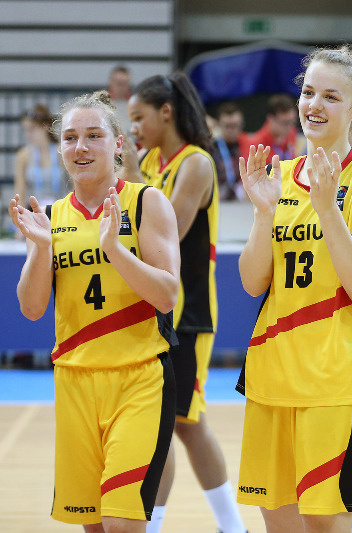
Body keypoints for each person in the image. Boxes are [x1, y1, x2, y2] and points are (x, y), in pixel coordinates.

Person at [235, 44, 352, 533]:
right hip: (273, 370)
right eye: (308, 93)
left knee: (324, 526)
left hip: (336, 378)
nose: (314, 106)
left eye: (331, 96)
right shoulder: (279, 177)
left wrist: (328, 209)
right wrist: (264, 213)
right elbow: (251, 281)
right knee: (279, 525)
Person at [10, 90, 180, 532]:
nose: (80, 147)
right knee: (95, 526)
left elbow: (166, 295)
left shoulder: (147, 203)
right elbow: (31, 309)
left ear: (118, 143)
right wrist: (40, 249)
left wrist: (113, 250)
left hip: (139, 378)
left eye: (92, 136)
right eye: (69, 138)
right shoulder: (48, 217)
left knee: (123, 523)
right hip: (75, 382)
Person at [127, 72, 246, 533]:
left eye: (138, 118)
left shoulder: (195, 163)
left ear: (166, 112)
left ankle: (230, 525)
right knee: (168, 426)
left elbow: (169, 234)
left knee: (185, 425)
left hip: (188, 315)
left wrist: (132, 173)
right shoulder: (151, 160)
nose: (133, 128)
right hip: (154, 314)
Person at [14, 103, 69, 207]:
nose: (27, 135)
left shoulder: (61, 152)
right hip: (35, 212)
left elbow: (75, 187)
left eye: (32, 129)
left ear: (45, 126)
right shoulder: (23, 155)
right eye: (25, 130)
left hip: (61, 212)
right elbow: (20, 193)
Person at [242, 93, 305, 160]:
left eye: (292, 122)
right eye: (285, 123)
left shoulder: (292, 133)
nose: (290, 127)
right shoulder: (255, 145)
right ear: (270, 119)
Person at [213, 102, 247, 200]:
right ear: (219, 125)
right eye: (227, 126)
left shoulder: (249, 145)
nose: (231, 130)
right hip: (220, 200)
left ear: (242, 124)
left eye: (235, 125)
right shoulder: (211, 148)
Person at [108, 65, 133, 135]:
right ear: (110, 82)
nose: (121, 88)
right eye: (119, 83)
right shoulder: (101, 103)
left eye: (125, 84)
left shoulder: (136, 105)